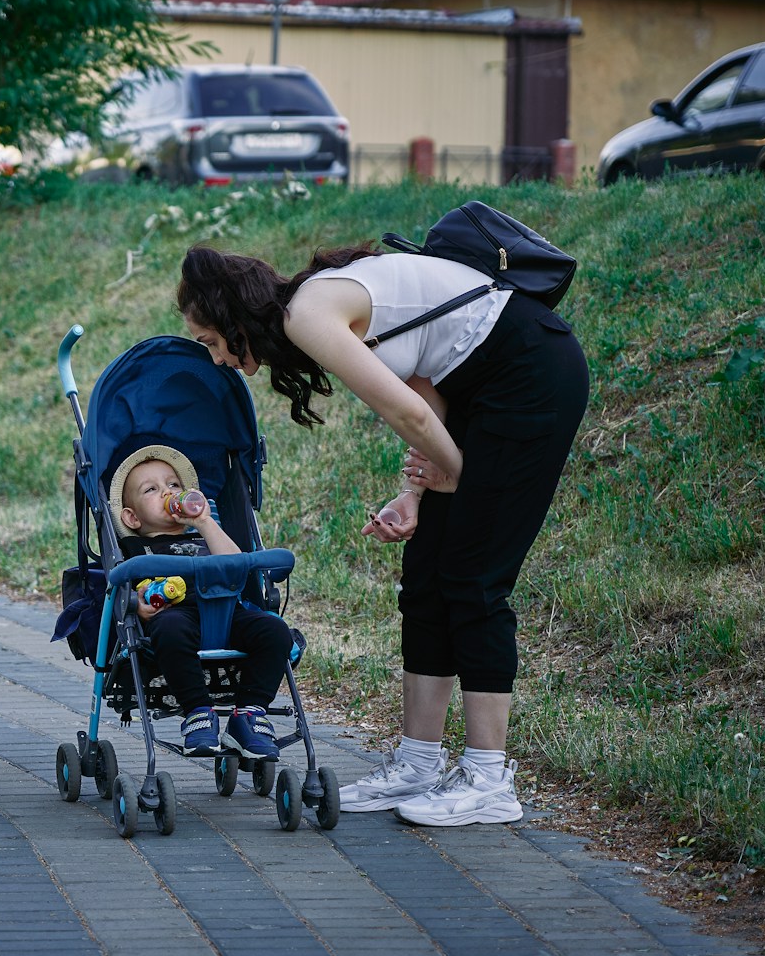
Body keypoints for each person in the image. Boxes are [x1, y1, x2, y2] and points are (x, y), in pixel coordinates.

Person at [177, 241, 588, 826]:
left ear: (232, 318)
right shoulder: (311, 306)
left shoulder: (307, 315)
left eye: (211, 342)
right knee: (425, 580)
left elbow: (412, 416)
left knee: (473, 578)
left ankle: (490, 778)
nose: (216, 359)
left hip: (529, 375)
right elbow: (425, 386)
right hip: (480, 387)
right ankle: (419, 763)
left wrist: (460, 477)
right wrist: (418, 491)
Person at [108, 443, 294, 761]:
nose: (168, 493)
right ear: (132, 517)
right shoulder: (135, 548)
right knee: (170, 630)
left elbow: (238, 565)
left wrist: (206, 523)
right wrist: (137, 605)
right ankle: (197, 711)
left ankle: (249, 714)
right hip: (175, 615)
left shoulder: (204, 535)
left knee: (275, 631)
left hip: (227, 612)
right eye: (152, 489)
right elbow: (124, 590)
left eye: (174, 485)